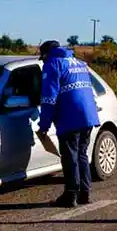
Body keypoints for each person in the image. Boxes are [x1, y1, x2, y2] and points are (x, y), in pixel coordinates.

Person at [37, 40, 101, 208]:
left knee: (70, 156)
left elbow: (49, 98)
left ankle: (70, 195)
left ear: (46, 54)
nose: (42, 60)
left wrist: (43, 126)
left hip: (69, 117)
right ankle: (84, 194)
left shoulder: (52, 64)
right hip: (88, 115)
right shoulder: (79, 63)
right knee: (81, 154)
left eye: (42, 57)